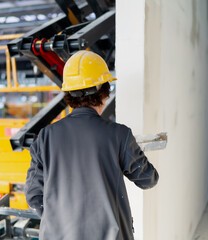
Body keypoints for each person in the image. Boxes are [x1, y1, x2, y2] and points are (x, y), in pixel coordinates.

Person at [24, 50, 159, 240]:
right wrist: (132, 151)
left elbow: (33, 195)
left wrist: (58, 221)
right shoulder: (119, 135)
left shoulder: (45, 137)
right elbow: (148, 179)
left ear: (69, 94)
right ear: (104, 92)